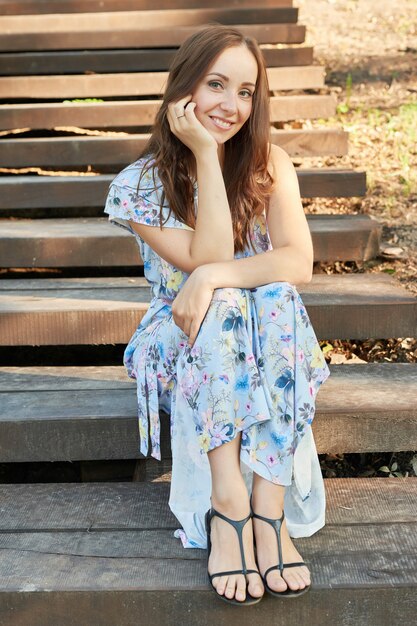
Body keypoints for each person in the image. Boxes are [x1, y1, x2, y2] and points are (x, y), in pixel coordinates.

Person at [104, 24, 331, 606]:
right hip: (182, 329)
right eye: (216, 85)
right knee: (228, 298)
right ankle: (228, 505)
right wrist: (206, 154)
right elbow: (209, 258)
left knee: (276, 296)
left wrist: (212, 275)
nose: (233, 106)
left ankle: (269, 507)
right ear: (183, 91)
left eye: (247, 91)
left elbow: (297, 262)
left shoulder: (270, 163)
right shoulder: (139, 185)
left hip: (264, 327)